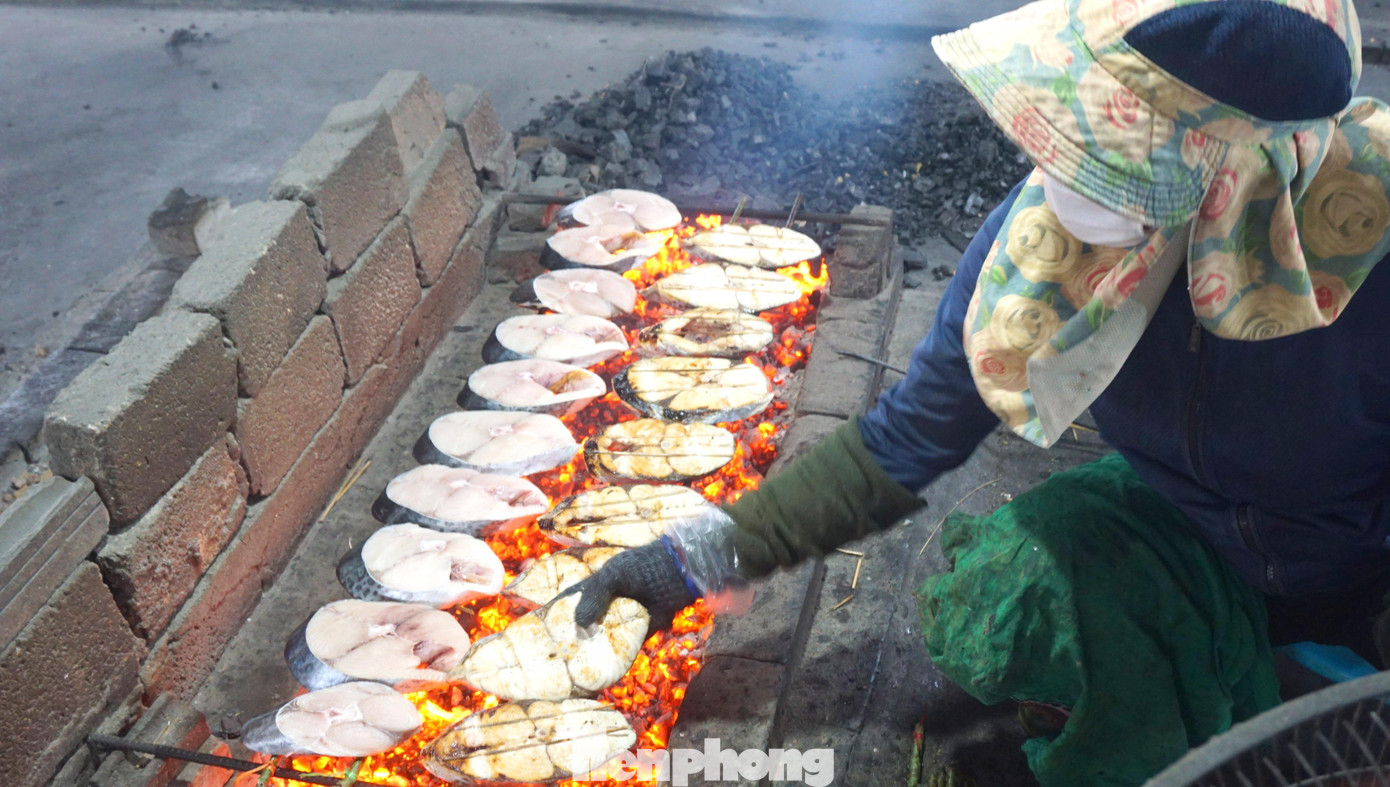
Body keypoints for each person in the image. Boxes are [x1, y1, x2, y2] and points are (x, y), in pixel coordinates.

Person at [568, 0, 1390, 783]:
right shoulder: (1047, 238)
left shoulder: (1366, 256)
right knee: (1033, 574)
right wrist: (688, 562)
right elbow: (902, 438)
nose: (1065, 185)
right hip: (1195, 538)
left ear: (1242, 180)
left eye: (1118, 162)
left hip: (1361, 571)